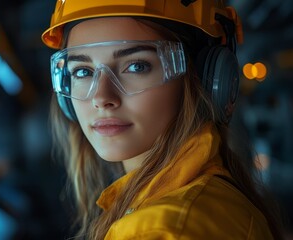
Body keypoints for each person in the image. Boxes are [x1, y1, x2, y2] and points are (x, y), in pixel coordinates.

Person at [41, 0, 283, 239]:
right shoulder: (210, 202)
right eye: (83, 71)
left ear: (204, 79)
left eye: (136, 66)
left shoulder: (161, 230)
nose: (101, 97)